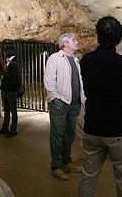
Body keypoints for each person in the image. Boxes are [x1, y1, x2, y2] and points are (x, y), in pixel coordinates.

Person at [78, 16, 122, 197]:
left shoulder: (87, 60)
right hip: (119, 129)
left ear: (98, 36)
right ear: (118, 38)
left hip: (93, 126)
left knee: (87, 178)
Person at [44, 32, 84, 181]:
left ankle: (66, 161)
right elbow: (49, 80)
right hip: (60, 104)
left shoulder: (75, 60)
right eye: (74, 40)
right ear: (65, 44)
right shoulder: (55, 58)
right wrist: (55, 99)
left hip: (74, 104)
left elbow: (80, 82)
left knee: (70, 134)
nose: (77, 42)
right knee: (57, 135)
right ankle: (56, 165)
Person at [0, 46, 20, 137]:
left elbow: (14, 78)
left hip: (11, 89)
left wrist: (5, 77)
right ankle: (5, 127)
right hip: (8, 89)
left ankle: (13, 129)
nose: (4, 53)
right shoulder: (10, 62)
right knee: (7, 110)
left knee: (12, 110)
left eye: (5, 52)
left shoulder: (13, 63)